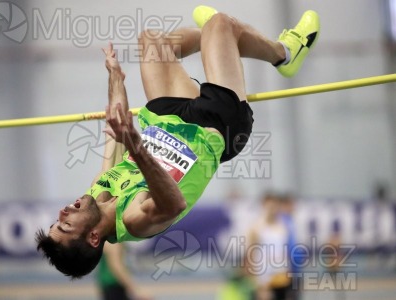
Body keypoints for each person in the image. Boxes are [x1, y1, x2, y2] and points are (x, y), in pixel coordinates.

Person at [36, 5, 320, 278]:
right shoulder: (134, 221)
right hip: (215, 128)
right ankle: (282, 52)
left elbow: (117, 123)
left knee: (152, 41)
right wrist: (134, 143)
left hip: (165, 120)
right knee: (220, 23)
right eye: (65, 224)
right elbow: (174, 204)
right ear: (94, 236)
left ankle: (223, 40)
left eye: (57, 220)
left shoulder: (97, 196)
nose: (63, 212)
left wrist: (116, 79)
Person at [246, 193, 291, 300]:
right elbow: (251, 251)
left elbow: (283, 250)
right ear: (264, 207)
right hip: (263, 276)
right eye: (269, 207)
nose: (272, 209)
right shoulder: (256, 227)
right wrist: (256, 277)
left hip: (280, 274)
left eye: (274, 206)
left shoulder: (282, 226)